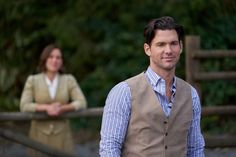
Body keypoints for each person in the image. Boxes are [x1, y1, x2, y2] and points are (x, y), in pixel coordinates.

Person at [99, 16, 205, 157]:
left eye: (173, 43)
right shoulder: (124, 92)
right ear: (147, 49)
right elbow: (109, 147)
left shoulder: (191, 94)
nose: (168, 50)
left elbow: (195, 148)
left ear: (181, 47)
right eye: (161, 44)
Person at [20, 44, 87, 157]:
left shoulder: (68, 80)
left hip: (62, 135)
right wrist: (46, 108)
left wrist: (62, 108)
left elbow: (81, 102)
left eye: (58, 57)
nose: (54, 60)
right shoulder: (33, 80)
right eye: (51, 57)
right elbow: (24, 105)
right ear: (44, 59)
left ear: (61, 61)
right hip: (38, 135)